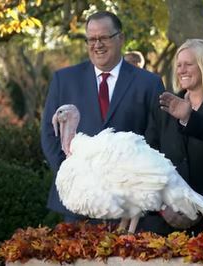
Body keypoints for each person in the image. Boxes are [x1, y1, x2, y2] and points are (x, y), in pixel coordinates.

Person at [41, 11, 165, 222]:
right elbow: (49, 133)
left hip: (129, 205)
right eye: (91, 39)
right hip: (79, 201)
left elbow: (157, 138)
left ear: (121, 38)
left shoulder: (149, 84)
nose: (97, 44)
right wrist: (72, 176)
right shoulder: (65, 80)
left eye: (104, 38)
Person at [137, 39, 203, 235]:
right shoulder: (163, 109)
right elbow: (149, 161)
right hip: (164, 224)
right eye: (178, 65)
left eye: (188, 64)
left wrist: (197, 207)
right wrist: (163, 207)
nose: (182, 70)